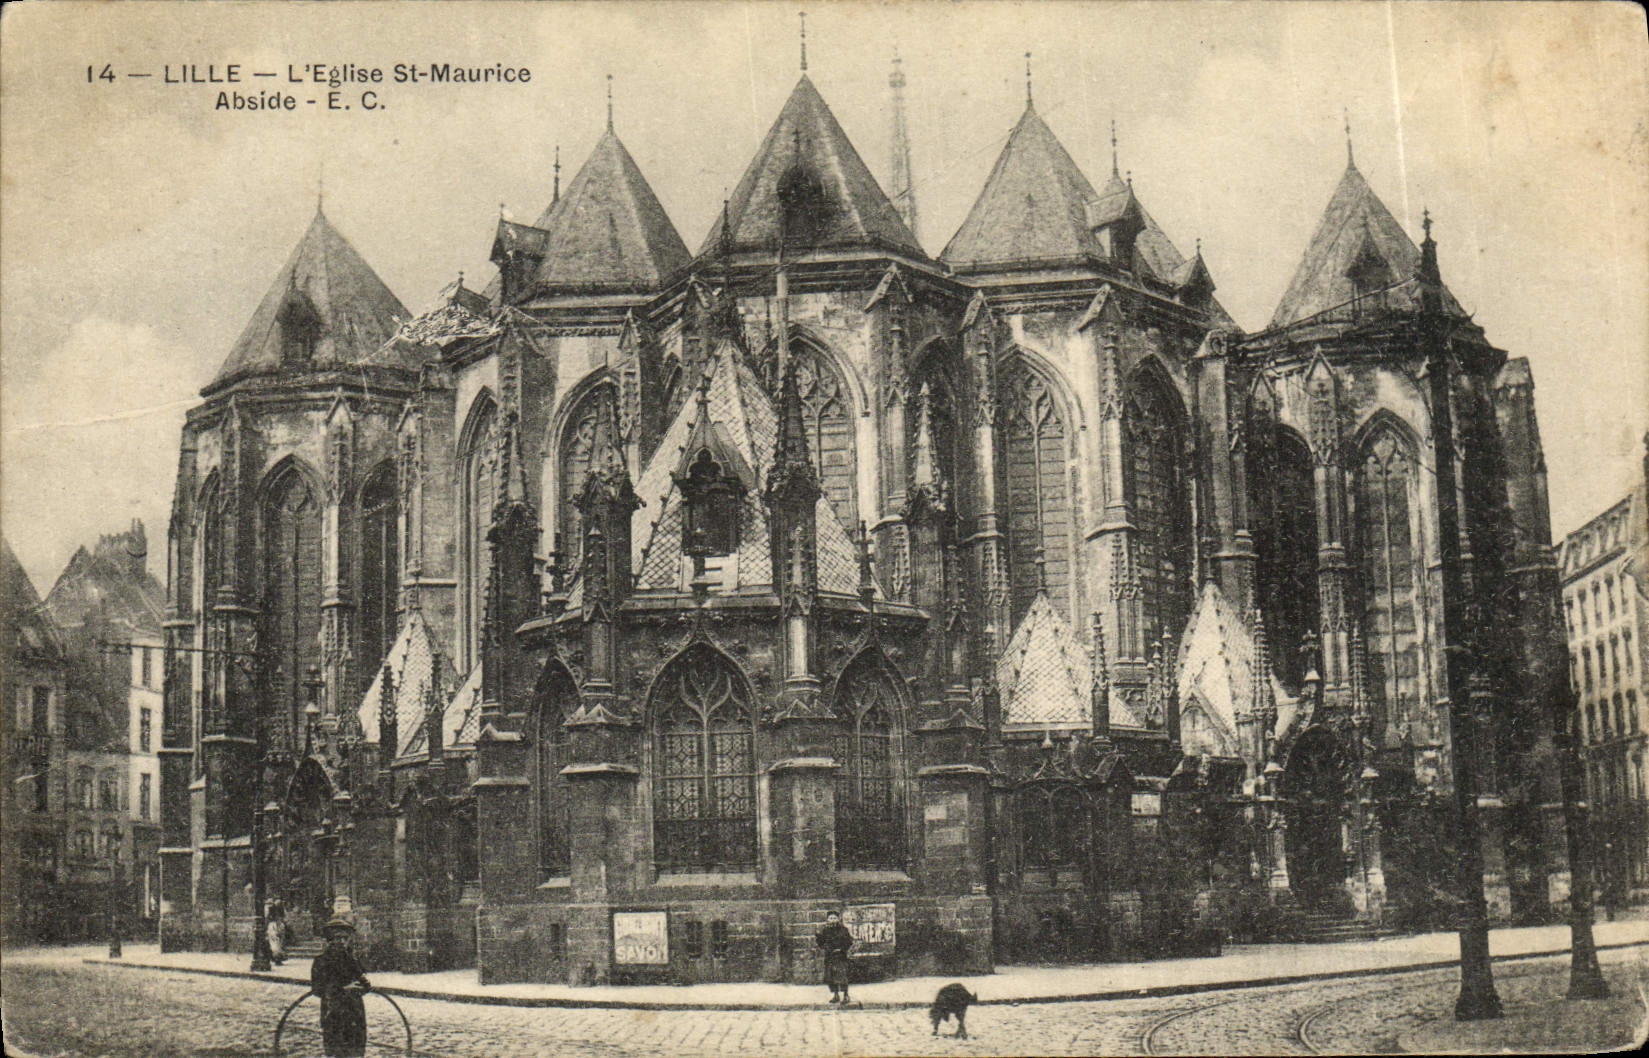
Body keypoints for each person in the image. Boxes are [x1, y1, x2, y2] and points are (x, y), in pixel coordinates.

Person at [310, 917, 371, 1058]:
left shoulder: (351, 959)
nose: (342, 942)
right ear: (330, 940)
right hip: (333, 1013)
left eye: (345, 938)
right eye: (338, 938)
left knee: (356, 1050)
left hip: (355, 1013)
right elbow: (317, 988)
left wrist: (362, 986)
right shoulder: (321, 961)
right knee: (337, 1052)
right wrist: (343, 989)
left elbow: (366, 985)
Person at [815, 910, 854, 1004]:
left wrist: (842, 949)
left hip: (840, 956)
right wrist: (818, 937)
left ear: (838, 919)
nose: (832, 920)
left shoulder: (843, 930)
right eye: (830, 918)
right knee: (831, 976)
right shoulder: (825, 930)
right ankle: (835, 995)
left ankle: (846, 995)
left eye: (834, 918)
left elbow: (849, 942)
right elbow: (821, 943)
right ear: (827, 920)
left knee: (842, 976)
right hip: (830, 956)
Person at [266, 899, 286, 965]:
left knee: (276, 944)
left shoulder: (271, 911)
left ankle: (276, 958)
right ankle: (277, 959)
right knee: (276, 944)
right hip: (275, 927)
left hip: (273, 927)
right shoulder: (276, 912)